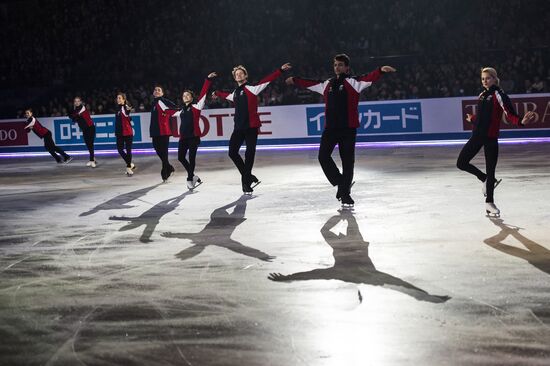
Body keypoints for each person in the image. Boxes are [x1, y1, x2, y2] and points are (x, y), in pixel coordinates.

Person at [286, 54, 395, 208]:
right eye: (335, 64)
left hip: (348, 129)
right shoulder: (327, 84)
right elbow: (310, 83)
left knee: (348, 163)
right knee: (323, 157)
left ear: (347, 67)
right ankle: (341, 182)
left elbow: (369, 77)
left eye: (340, 65)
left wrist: (381, 71)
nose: (337, 67)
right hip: (330, 128)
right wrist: (295, 80)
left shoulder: (354, 82)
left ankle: (345, 195)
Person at [456, 67, 535, 216]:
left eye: (488, 78)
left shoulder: (499, 94)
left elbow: (509, 113)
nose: (485, 81)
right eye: (483, 79)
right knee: (461, 163)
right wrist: (472, 119)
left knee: (491, 170)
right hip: (477, 136)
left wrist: (521, 121)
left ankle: (489, 203)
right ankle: (483, 178)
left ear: (494, 78)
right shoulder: (481, 95)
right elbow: (481, 118)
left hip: (491, 137)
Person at [212, 62, 292, 194]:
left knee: (249, 154)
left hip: (251, 127)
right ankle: (248, 176)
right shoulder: (235, 93)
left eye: (240, 73)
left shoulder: (252, 88)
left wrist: (280, 70)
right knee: (232, 152)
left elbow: (267, 80)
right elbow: (224, 95)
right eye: (236, 74)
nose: (238, 75)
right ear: (234, 77)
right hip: (238, 128)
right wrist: (216, 92)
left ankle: (245, 183)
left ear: (245, 75)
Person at [173, 72, 217, 190]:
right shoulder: (180, 111)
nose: (186, 97)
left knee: (192, 159)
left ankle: (189, 178)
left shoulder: (197, 107)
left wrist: (208, 80)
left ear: (192, 98)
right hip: (183, 138)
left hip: (193, 137)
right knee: (181, 158)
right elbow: (167, 111)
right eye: (184, 96)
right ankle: (193, 175)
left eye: (188, 95)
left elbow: (203, 93)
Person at [150, 85, 178, 182]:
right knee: (157, 149)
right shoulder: (153, 103)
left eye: (159, 90)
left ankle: (164, 173)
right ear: (153, 93)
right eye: (155, 90)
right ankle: (169, 167)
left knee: (164, 152)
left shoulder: (163, 101)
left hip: (164, 130)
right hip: (155, 131)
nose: (157, 91)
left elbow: (175, 108)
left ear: (162, 93)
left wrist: (166, 113)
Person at [68, 96, 96, 167]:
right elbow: (73, 118)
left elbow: (74, 116)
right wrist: (72, 116)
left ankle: (92, 160)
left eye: (78, 101)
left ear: (80, 102)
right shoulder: (75, 110)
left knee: (90, 144)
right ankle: (92, 158)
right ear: (74, 103)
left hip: (90, 128)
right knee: (88, 144)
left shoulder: (82, 108)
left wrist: (73, 116)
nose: (77, 102)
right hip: (84, 129)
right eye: (75, 101)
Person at [114, 93, 136, 176]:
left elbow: (127, 113)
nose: (118, 99)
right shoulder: (117, 108)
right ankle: (130, 163)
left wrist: (128, 110)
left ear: (123, 99)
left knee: (128, 150)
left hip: (127, 132)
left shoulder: (125, 107)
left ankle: (128, 167)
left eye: (120, 98)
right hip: (119, 133)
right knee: (120, 149)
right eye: (117, 98)